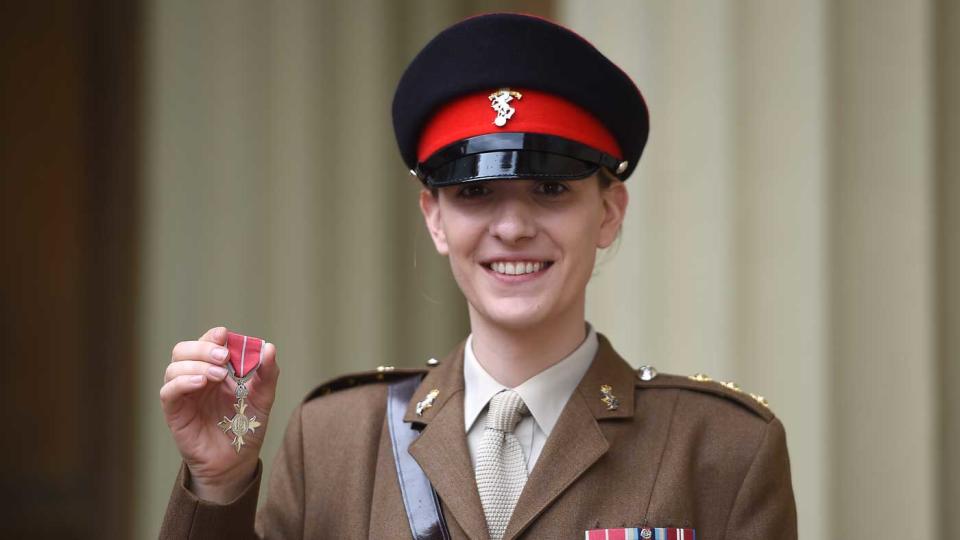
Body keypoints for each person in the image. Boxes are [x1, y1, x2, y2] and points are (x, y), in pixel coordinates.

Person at [159, 13, 797, 539]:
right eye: (473, 193)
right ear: (434, 218)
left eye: (550, 189)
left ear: (608, 212)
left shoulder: (720, 451)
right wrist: (218, 484)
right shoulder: (334, 441)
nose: (513, 227)